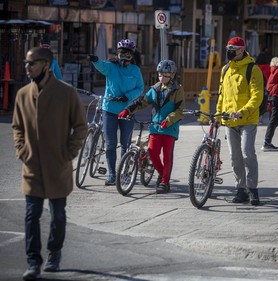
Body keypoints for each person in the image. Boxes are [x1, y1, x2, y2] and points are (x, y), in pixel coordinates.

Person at [12, 47, 88, 280]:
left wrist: (68, 152)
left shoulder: (66, 93)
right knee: (31, 214)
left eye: (32, 63)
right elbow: (17, 128)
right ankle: (33, 262)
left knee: (58, 216)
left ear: (46, 65)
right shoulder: (23, 94)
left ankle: (54, 253)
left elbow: (81, 127)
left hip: (58, 166)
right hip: (32, 167)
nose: (27, 67)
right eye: (26, 63)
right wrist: (22, 150)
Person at [118, 60, 185, 194]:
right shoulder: (155, 88)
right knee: (153, 153)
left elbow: (180, 110)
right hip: (155, 127)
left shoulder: (177, 89)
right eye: (160, 74)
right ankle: (162, 174)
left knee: (167, 157)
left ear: (172, 75)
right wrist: (128, 110)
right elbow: (142, 101)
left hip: (169, 128)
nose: (162, 77)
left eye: (165, 74)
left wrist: (169, 120)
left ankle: (165, 182)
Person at [88, 39, 144, 185]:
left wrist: (128, 97)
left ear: (132, 56)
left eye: (128, 55)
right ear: (117, 54)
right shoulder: (111, 67)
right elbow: (101, 65)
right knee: (111, 144)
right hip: (110, 109)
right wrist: (94, 59)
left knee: (125, 143)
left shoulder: (135, 71)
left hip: (127, 110)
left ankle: (124, 173)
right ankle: (112, 174)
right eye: (121, 54)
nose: (124, 58)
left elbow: (140, 88)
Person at [216, 36, 263, 205]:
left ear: (242, 49)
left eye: (232, 48)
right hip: (229, 120)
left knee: (247, 153)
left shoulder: (252, 69)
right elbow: (222, 95)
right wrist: (218, 114)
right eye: (227, 47)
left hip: (248, 119)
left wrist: (243, 112)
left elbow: (257, 96)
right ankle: (240, 189)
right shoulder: (226, 69)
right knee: (235, 157)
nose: (229, 51)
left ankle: (253, 190)